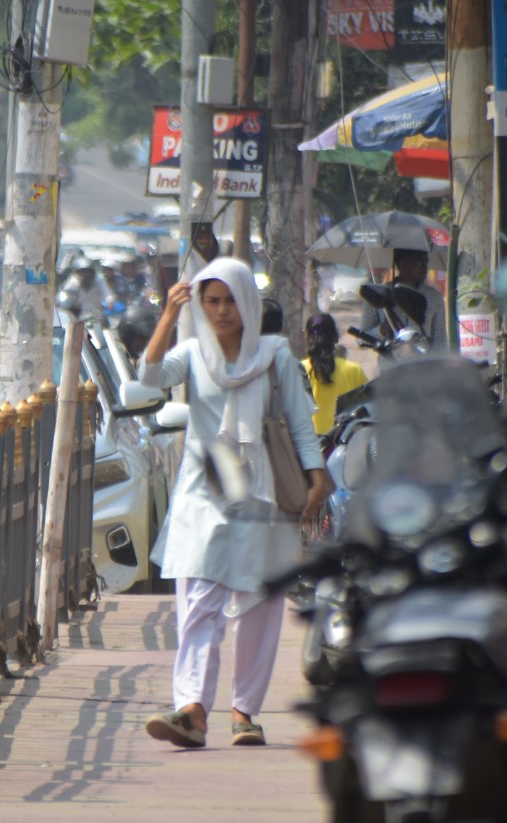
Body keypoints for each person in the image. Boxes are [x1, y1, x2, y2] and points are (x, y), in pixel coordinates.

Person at [138, 258, 326, 749]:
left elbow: (300, 425)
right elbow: (148, 377)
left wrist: (318, 478)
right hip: (207, 486)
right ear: (200, 305)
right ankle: (192, 711)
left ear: (247, 303)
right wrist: (166, 317)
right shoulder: (192, 353)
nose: (221, 311)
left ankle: (245, 712)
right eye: (211, 301)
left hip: (264, 488)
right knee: (199, 597)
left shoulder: (276, 355)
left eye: (229, 301)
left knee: (262, 603)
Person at [358, 248, 446, 352]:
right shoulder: (379, 295)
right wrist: (383, 329)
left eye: (425, 263)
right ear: (402, 266)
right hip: (390, 364)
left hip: (422, 365)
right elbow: (361, 341)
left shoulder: (434, 297)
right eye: (419, 264)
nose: (424, 269)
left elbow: (441, 342)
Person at [301, 313, 368, 435]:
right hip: (342, 441)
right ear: (335, 337)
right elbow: (365, 409)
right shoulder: (354, 371)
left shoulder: (299, 369)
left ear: (308, 338)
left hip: (308, 444)